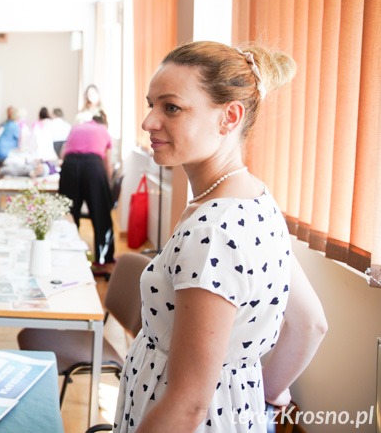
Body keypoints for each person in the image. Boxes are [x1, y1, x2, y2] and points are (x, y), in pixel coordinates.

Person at [113, 42, 327, 433]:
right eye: (151, 105)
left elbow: (187, 404)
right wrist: (260, 397)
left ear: (230, 117)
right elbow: (311, 323)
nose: (148, 122)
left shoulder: (213, 230)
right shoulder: (257, 200)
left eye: (171, 107)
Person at [59, 114, 114, 264]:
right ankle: (104, 259)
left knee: (68, 213)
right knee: (101, 214)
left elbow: (63, 154)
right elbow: (108, 164)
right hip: (93, 166)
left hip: (69, 165)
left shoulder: (76, 127)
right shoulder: (103, 129)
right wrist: (105, 185)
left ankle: (66, 255)